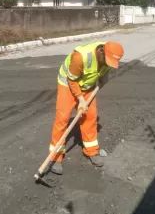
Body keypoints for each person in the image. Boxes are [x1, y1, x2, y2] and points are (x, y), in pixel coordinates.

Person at [49, 41, 124, 175]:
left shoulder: (108, 58)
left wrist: (104, 78)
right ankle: (55, 157)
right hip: (68, 83)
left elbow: (104, 70)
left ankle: (92, 151)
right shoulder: (81, 56)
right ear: (101, 51)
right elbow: (72, 80)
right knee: (63, 118)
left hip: (87, 85)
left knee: (90, 116)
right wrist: (80, 99)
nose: (108, 64)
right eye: (107, 61)